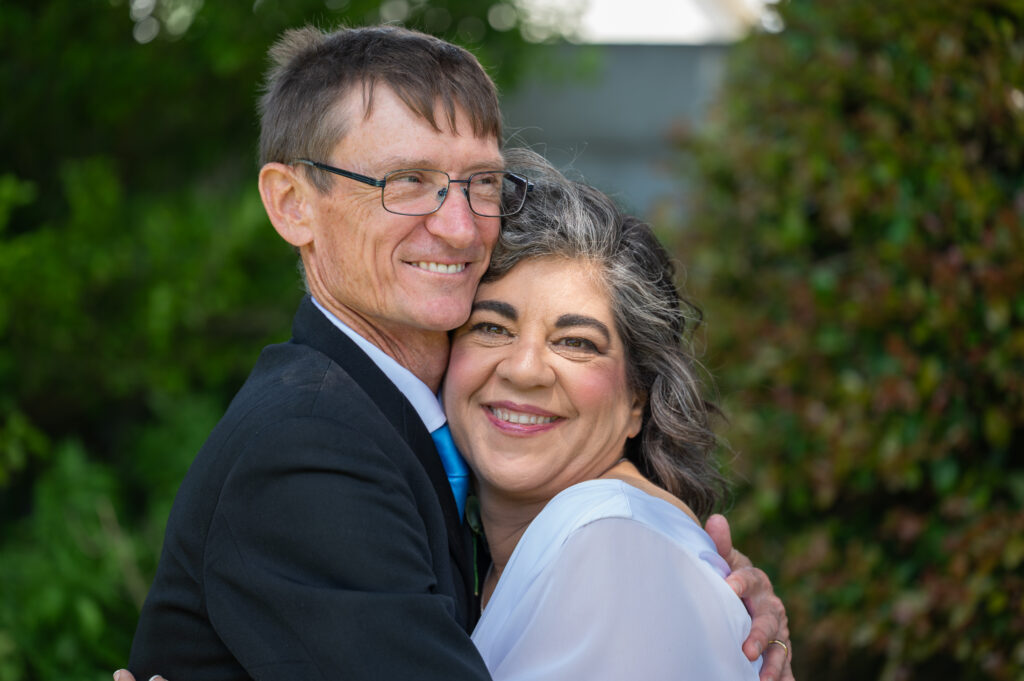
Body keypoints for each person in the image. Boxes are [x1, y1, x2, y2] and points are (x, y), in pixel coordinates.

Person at [122, 23, 793, 681]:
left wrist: (687, 589)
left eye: (482, 182)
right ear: (293, 203)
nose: (459, 226)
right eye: (406, 180)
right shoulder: (307, 446)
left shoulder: (425, 440)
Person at [445, 148, 774, 678]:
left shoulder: (612, 547)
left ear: (637, 400)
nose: (524, 369)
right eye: (491, 328)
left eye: (576, 342)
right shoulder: (525, 553)